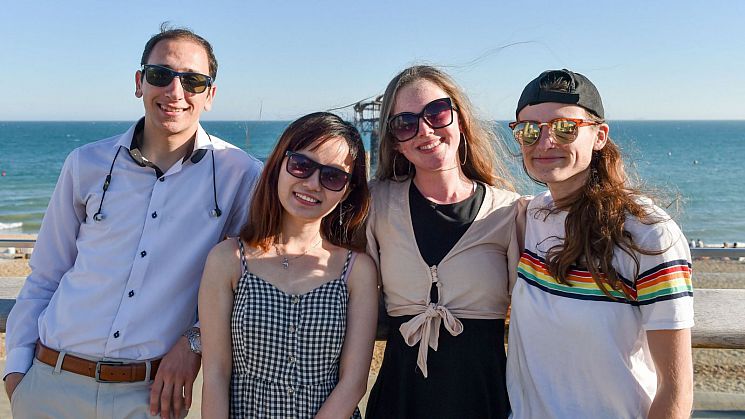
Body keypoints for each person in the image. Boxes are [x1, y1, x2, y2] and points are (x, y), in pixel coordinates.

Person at [4, 24, 262, 418]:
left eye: (193, 81)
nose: (175, 91)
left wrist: (193, 343)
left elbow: (246, 282)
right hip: (49, 383)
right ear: (140, 82)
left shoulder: (240, 175)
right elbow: (45, 275)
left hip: (150, 397)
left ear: (210, 95)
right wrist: (17, 375)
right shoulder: (84, 163)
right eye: (161, 75)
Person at [506, 69, 694, 418]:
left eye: (565, 128)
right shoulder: (530, 216)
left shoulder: (648, 234)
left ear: (599, 136)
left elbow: (676, 391)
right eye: (529, 130)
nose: (544, 142)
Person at [199, 112, 378, 418]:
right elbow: (216, 374)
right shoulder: (228, 260)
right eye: (301, 165)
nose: (312, 184)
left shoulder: (356, 270)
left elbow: (353, 383)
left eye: (332, 176)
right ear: (279, 164)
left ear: (348, 189)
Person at [365, 65, 520, 418]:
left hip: (484, 400)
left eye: (436, 113)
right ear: (396, 143)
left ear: (460, 121)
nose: (425, 129)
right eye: (405, 123)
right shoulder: (376, 204)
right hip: (400, 401)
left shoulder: (510, 213)